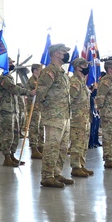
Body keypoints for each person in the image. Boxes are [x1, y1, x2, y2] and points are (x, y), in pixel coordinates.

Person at [36, 44, 73, 188]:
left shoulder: (61, 72)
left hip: (64, 115)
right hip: (53, 116)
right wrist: (49, 108)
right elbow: (40, 93)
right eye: (64, 52)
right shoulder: (49, 71)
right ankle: (47, 176)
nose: (66, 55)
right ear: (57, 53)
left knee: (62, 147)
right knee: (52, 146)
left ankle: (56, 173)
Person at [0, 61, 32, 167]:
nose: (12, 64)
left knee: (15, 134)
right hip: (6, 111)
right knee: (7, 135)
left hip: (13, 110)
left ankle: (12, 155)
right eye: (10, 63)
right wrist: (28, 92)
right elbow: (13, 89)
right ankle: (6, 157)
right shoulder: (2, 79)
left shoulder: (10, 78)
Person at [68, 57, 94, 178]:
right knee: (77, 144)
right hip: (77, 119)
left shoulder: (82, 82)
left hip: (84, 119)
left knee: (83, 144)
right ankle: (75, 167)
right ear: (78, 67)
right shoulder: (74, 82)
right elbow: (69, 100)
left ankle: (81, 165)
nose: (87, 68)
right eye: (85, 66)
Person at [27, 64, 44, 159]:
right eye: (39, 70)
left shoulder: (39, 80)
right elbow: (34, 91)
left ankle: (40, 146)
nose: (40, 71)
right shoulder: (32, 81)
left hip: (40, 107)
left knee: (41, 127)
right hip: (34, 107)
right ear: (35, 70)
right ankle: (34, 148)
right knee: (34, 128)